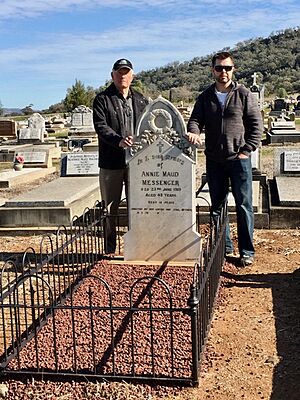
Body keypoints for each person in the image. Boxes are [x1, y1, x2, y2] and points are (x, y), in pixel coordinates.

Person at [187, 51, 263, 267]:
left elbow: (256, 126)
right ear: (213, 70)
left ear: (233, 70)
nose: (223, 72)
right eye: (219, 68)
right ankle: (224, 247)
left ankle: (246, 250)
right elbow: (195, 121)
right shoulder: (205, 97)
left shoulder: (244, 94)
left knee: (243, 205)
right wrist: (193, 131)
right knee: (218, 206)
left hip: (239, 160)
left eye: (227, 68)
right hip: (214, 160)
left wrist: (246, 150)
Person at [93, 58, 149, 254]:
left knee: (138, 205)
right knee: (110, 208)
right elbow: (100, 126)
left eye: (126, 72)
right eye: (119, 72)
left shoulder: (141, 100)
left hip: (137, 161)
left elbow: (148, 126)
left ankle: (136, 246)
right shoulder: (102, 99)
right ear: (112, 76)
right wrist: (118, 140)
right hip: (111, 162)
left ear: (132, 75)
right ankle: (109, 248)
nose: (122, 76)